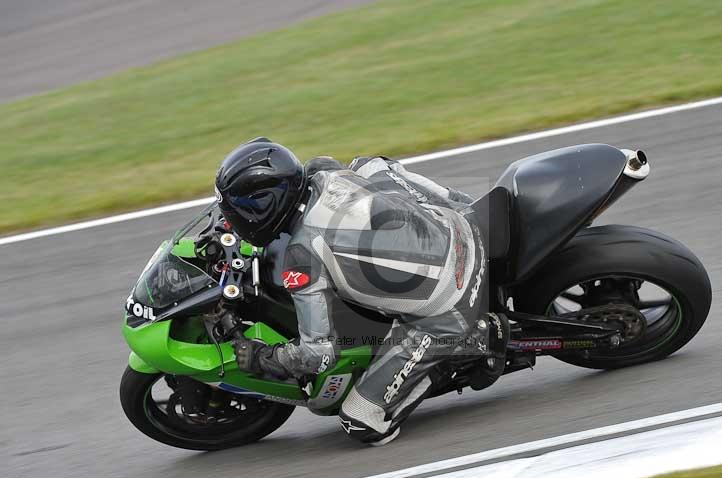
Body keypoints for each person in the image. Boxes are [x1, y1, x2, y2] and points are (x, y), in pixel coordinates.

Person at [215, 137, 509, 445]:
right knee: (370, 166)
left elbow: (318, 356)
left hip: (452, 301)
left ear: (265, 207)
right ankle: (462, 205)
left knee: (360, 422)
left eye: (238, 212)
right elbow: (359, 168)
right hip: (460, 223)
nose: (234, 220)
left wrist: (264, 357)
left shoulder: (302, 256)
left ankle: (475, 341)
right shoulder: (324, 173)